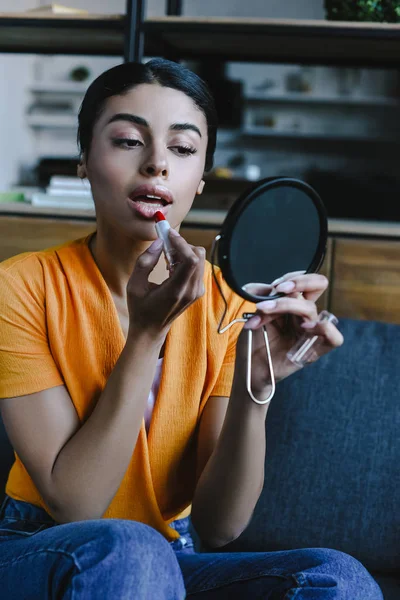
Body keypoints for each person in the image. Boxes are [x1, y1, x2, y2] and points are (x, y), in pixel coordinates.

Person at [0, 59, 382, 599]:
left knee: (335, 578)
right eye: (129, 140)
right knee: (131, 552)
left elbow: (221, 526)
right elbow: (75, 504)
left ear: (200, 180)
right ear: (84, 160)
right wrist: (146, 334)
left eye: (181, 150)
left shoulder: (229, 302)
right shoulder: (20, 287)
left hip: (173, 557)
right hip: (43, 547)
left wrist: (256, 385)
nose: (157, 165)